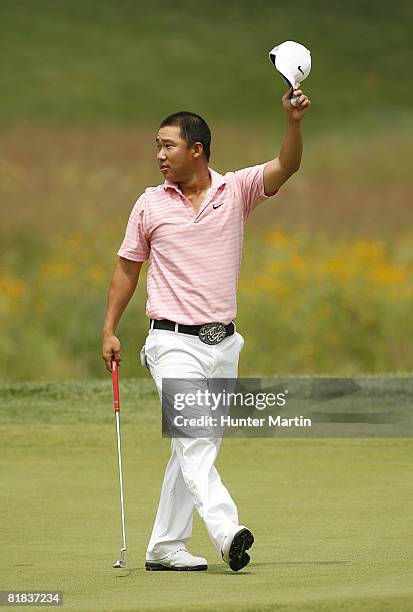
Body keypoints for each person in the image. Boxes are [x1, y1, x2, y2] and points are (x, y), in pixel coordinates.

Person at [102, 82, 311, 572]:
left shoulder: (235, 189)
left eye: (167, 145)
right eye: (156, 145)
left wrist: (293, 123)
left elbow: (288, 166)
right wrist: (110, 327)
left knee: (190, 450)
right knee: (194, 438)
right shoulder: (149, 203)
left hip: (223, 345)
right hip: (171, 342)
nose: (159, 155)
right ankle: (227, 530)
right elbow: (126, 269)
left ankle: (164, 547)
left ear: (197, 149)